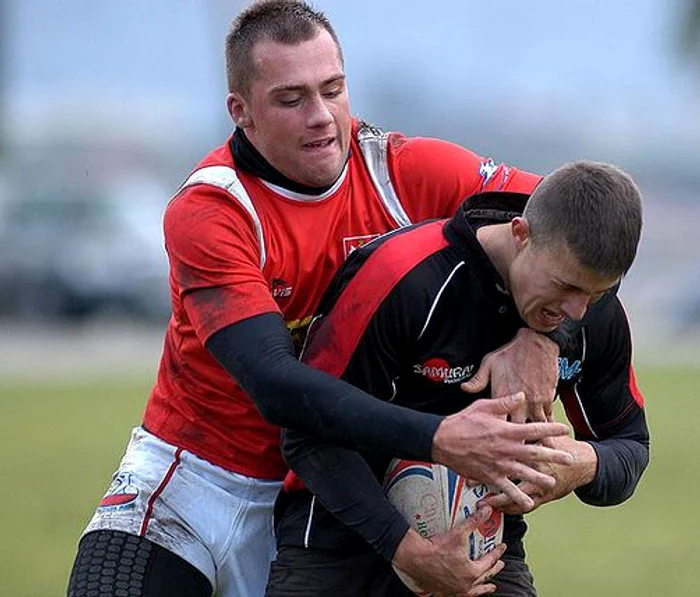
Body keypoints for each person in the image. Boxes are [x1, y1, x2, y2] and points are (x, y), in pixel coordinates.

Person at [66, 2, 579, 596]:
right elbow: (276, 385)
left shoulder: (407, 173)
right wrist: (436, 437)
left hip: (331, 492)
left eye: (333, 90)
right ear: (242, 111)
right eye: (291, 99)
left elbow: (582, 231)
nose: (323, 117)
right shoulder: (213, 210)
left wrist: (544, 336)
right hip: (196, 482)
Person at [265, 161, 650, 597]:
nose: (577, 311)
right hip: (339, 546)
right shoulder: (403, 277)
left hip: (483, 557)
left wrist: (582, 465)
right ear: (520, 233)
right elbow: (306, 433)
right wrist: (408, 552)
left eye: (596, 294)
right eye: (564, 286)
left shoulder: (591, 315)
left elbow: (632, 447)